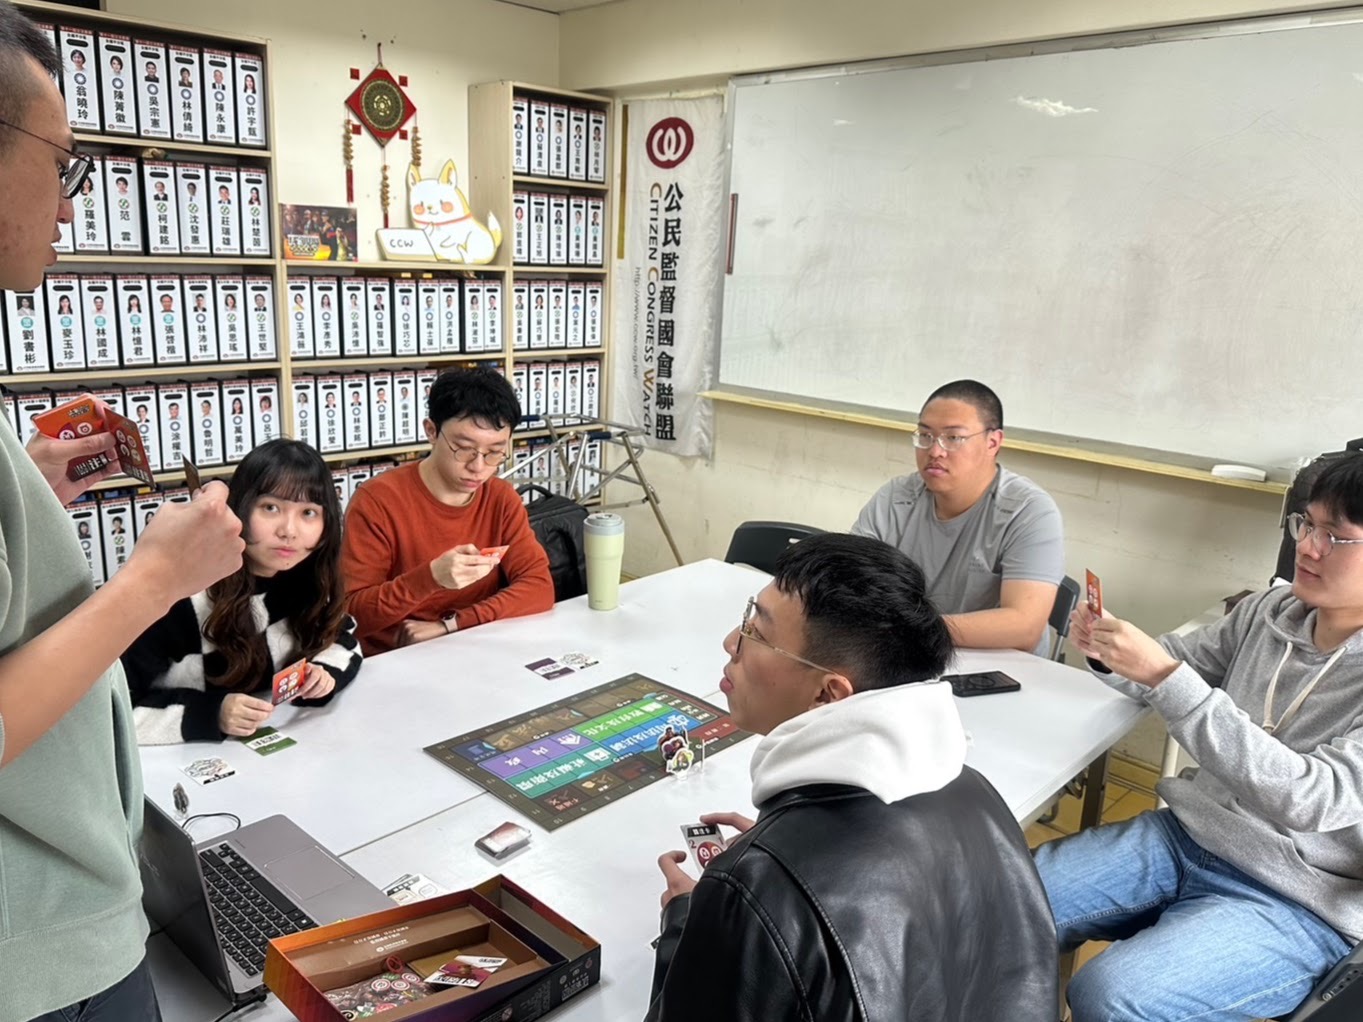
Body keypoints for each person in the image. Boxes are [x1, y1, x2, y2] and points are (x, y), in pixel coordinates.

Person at [0, 8, 244, 1019]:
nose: (68, 205)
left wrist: (26, 497)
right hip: (36, 946)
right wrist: (153, 581)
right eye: (62, 162)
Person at [646, 533, 1057, 1021]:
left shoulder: (749, 890)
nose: (732, 642)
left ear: (828, 694)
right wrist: (784, 851)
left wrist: (690, 920)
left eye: (756, 632)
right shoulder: (976, 792)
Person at [1034, 455, 1363, 1022]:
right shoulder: (1269, 611)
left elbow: (1313, 799)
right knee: (1004, 900)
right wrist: (1110, 654)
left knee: (1111, 994)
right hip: (1187, 834)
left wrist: (1163, 675)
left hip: (1298, 898)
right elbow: (1174, 665)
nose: (1307, 547)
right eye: (1306, 524)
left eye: (1334, 536)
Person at [123, 440, 361, 744]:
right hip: (176, 759)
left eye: (308, 513)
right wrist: (212, 714)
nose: (289, 531)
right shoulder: (181, 597)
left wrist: (323, 674)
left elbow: (344, 638)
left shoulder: (306, 578)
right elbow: (110, 709)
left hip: (277, 751)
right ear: (239, 507)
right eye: (271, 508)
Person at [341, 367, 553, 654]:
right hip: (394, 658)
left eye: (494, 452)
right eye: (463, 448)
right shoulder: (377, 501)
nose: (478, 467)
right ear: (431, 431)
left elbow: (539, 586)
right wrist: (430, 579)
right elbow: (352, 615)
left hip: (476, 646)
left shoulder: (501, 498)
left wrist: (452, 625)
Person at [851, 379, 1063, 656]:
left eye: (953, 438)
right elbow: (849, 580)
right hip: (908, 654)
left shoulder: (1028, 511)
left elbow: (1024, 627)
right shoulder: (896, 497)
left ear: (993, 442)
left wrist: (916, 629)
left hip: (997, 667)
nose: (934, 451)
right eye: (925, 435)